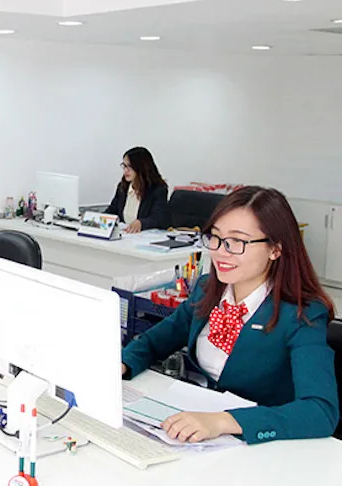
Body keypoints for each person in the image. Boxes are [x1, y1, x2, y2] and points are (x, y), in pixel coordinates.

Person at [121, 186, 339, 444]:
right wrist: (123, 364)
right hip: (196, 433)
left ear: (275, 249)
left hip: (262, 445)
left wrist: (224, 421)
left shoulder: (303, 314)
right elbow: (153, 342)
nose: (220, 252)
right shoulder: (207, 290)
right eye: (215, 237)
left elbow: (320, 411)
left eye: (237, 242)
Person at [105, 146, 170, 233]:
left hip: (146, 236)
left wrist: (141, 223)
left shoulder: (158, 189)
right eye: (124, 166)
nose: (125, 170)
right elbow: (112, 211)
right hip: (126, 235)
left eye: (130, 166)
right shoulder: (123, 187)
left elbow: (159, 218)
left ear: (141, 167)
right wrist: (96, 219)